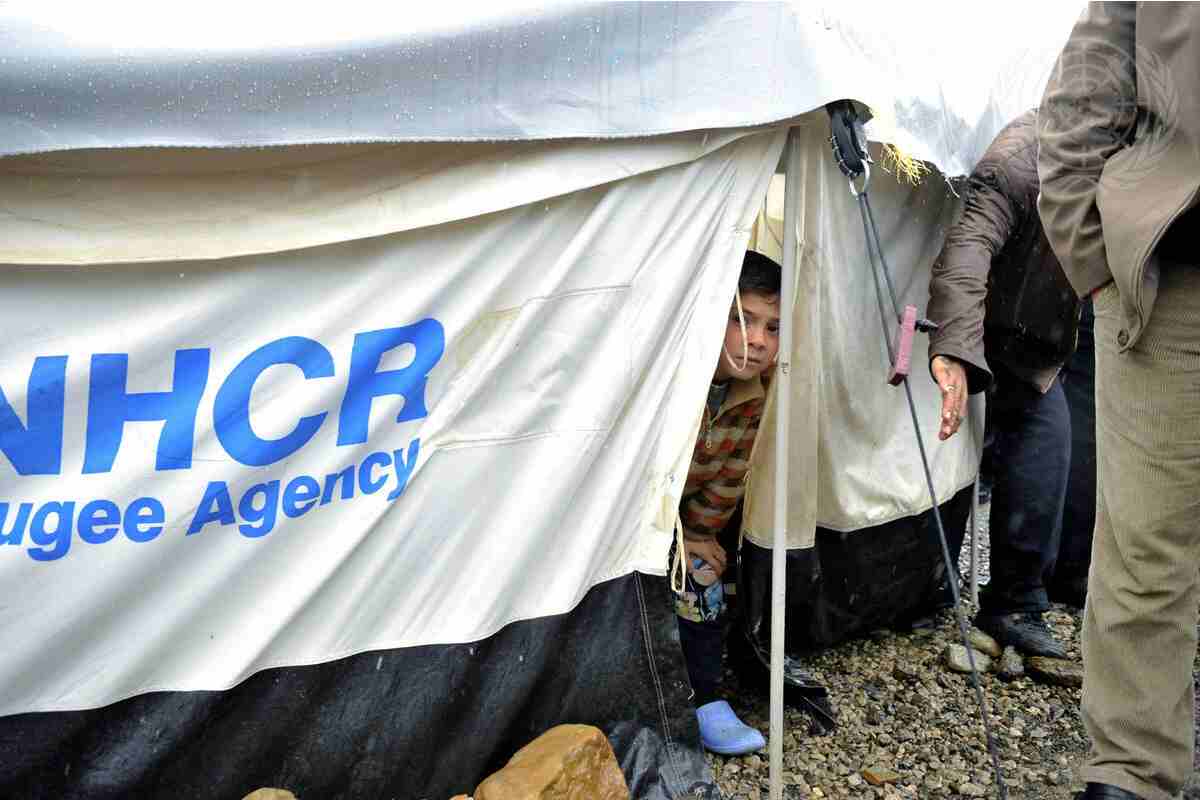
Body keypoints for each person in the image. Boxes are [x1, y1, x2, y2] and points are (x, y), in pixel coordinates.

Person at [1037, 4, 1200, 799]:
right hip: (1175, 292)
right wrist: (1097, 261)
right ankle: (1132, 774)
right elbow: (1081, 98)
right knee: (1145, 548)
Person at [925, 109, 1080, 658]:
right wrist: (953, 348)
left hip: (1052, 333)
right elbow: (966, 255)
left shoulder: (1130, 155)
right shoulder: (1019, 160)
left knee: (1054, 449)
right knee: (1017, 441)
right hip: (996, 328)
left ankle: (1020, 597)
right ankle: (991, 596)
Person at [675, 250, 780, 756]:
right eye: (743, 320)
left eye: (773, 328)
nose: (758, 340)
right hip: (642, 524)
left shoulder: (752, 391)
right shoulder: (674, 379)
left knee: (705, 576)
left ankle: (705, 696)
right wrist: (673, 535)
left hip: (688, 526)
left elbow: (730, 475)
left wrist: (698, 533)